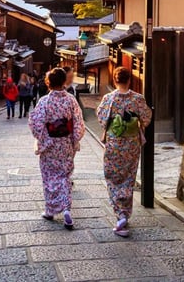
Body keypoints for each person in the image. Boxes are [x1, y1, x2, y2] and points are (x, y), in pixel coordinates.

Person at [96, 67, 152, 237]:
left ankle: (119, 213)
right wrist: (135, 125)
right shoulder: (137, 99)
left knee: (112, 176)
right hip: (131, 144)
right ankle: (125, 213)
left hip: (114, 143)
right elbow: (147, 117)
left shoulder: (109, 98)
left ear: (115, 80)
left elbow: (101, 117)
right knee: (128, 177)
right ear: (129, 80)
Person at [29, 68, 85, 230]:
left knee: (49, 177)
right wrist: (75, 139)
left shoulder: (44, 102)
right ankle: (66, 208)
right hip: (66, 144)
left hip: (49, 144)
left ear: (49, 83)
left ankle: (51, 210)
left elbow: (36, 124)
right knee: (65, 176)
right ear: (63, 82)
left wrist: (42, 138)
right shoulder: (71, 100)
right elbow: (78, 123)